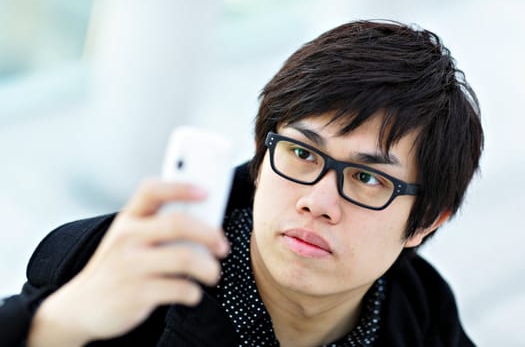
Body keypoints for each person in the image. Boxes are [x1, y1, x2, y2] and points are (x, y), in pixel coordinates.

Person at [0, 20, 483, 346]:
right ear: (260, 155)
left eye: (365, 178)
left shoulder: (425, 319)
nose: (317, 202)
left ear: (424, 222)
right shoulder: (115, 272)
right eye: (301, 152)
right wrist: (56, 325)